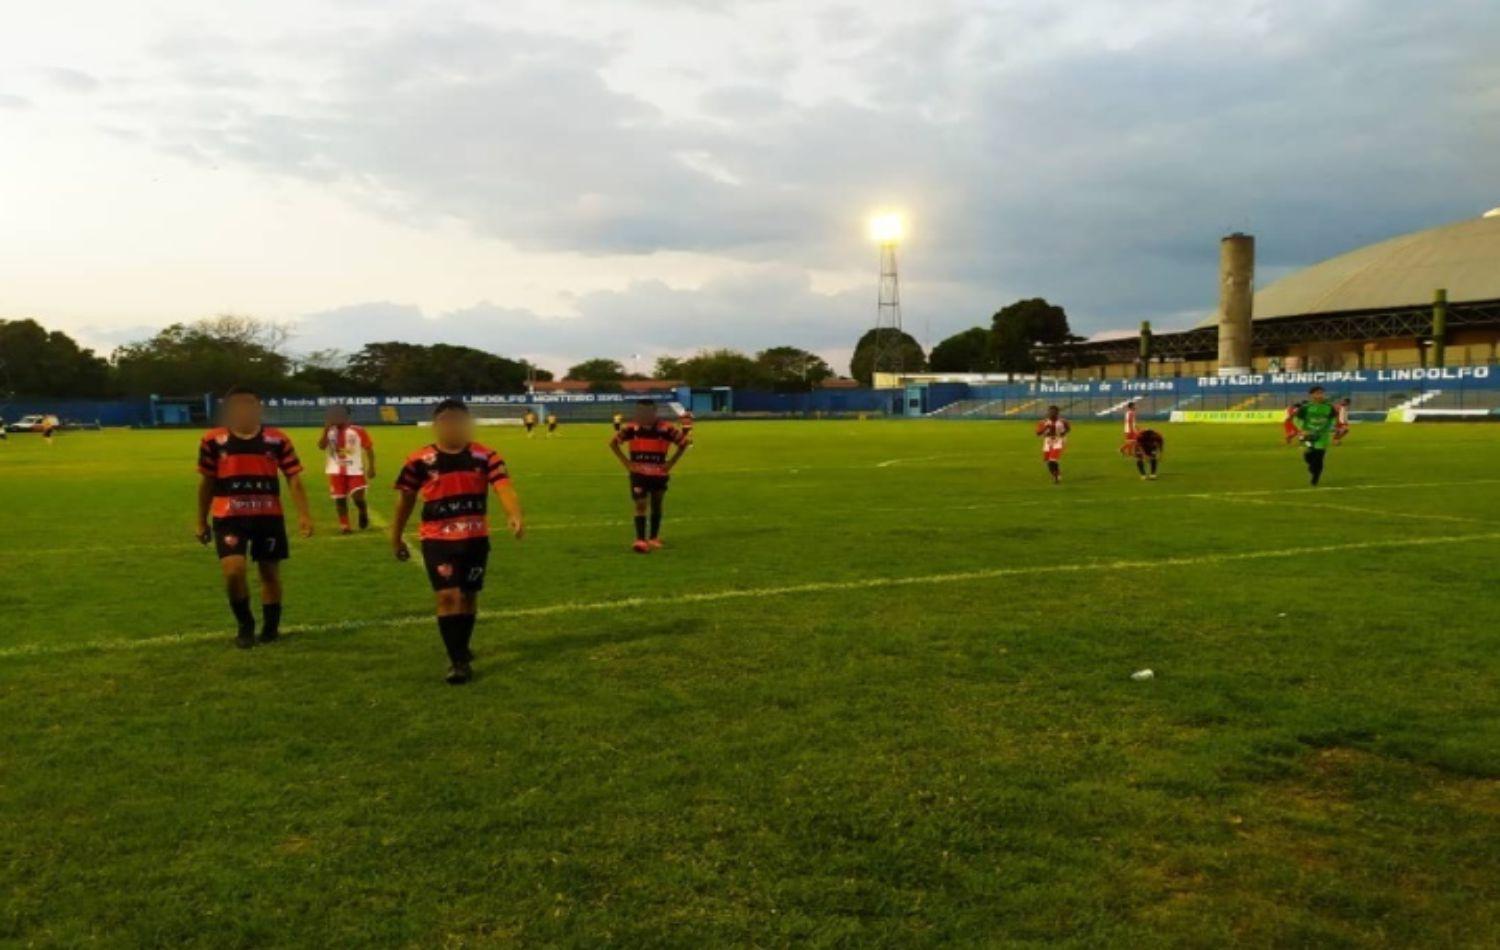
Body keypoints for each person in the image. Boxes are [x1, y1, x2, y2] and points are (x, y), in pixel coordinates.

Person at [391, 399, 524, 685]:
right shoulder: (419, 460)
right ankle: (458, 661)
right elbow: (405, 499)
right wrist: (396, 536)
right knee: (448, 596)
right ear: (437, 425)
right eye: (446, 421)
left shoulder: (485, 456)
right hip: (437, 539)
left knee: (468, 596)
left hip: (475, 539)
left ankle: (461, 646)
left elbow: (503, 486)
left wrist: (513, 514)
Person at [194, 386, 314, 648]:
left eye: (248, 404)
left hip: (268, 516)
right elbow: (207, 482)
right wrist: (201, 520)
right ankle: (245, 624)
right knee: (233, 571)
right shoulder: (212, 440)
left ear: (259, 407)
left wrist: (304, 515)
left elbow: (293, 478)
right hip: (229, 517)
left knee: (269, 573)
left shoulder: (277, 439)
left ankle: (270, 629)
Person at [609, 399, 690, 553]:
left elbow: (683, 443)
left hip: (659, 474)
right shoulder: (631, 428)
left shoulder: (666, 428)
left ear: (654, 412)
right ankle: (640, 540)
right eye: (640, 411)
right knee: (640, 504)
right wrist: (627, 463)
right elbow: (613, 444)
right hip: (639, 474)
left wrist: (670, 463)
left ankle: (653, 537)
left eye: (646, 412)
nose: (642, 415)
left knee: (656, 504)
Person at [317, 405, 375, 534]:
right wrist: (325, 430)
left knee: (357, 498)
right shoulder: (330, 431)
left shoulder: (358, 430)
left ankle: (363, 511)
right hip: (335, 470)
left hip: (355, 470)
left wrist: (371, 467)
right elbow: (321, 446)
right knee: (340, 499)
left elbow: (369, 448)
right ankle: (345, 526)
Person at [1293, 386, 1339, 486]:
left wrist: (1331, 427)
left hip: (1322, 435)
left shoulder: (1329, 407)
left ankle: (1316, 476)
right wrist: (1302, 429)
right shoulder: (1305, 407)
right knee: (1308, 455)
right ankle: (1312, 467)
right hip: (1308, 436)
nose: (1320, 395)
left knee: (1319, 456)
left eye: (1321, 393)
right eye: (1317, 393)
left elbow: (1333, 419)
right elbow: (1296, 419)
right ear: (1311, 395)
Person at [1035, 405, 1070, 484]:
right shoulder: (1043, 422)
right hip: (1048, 441)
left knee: (1052, 460)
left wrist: (1063, 433)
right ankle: (1055, 474)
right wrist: (1045, 428)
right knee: (1048, 461)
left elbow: (1068, 428)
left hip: (1059, 440)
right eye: (1051, 412)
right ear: (1048, 412)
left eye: (1054, 412)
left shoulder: (1063, 421)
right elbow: (1038, 433)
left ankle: (1057, 476)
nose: (1052, 414)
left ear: (1057, 413)